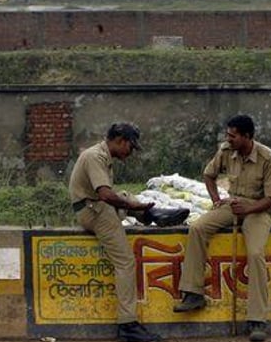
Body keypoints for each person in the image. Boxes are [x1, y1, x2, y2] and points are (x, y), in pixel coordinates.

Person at [69, 122, 189, 342]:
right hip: (93, 210)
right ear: (120, 141)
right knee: (125, 262)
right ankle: (128, 324)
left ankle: (153, 215)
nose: (130, 152)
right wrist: (133, 207)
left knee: (124, 195)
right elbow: (104, 195)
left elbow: (109, 195)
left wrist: (131, 204)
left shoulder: (101, 155)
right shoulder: (95, 157)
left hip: (92, 206)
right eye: (130, 147)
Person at [173, 115, 271, 342]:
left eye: (233, 136)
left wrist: (248, 210)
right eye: (228, 135)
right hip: (231, 205)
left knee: (255, 253)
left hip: (257, 209)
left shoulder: (268, 157)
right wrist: (216, 200)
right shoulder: (225, 150)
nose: (228, 139)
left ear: (247, 137)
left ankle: (256, 320)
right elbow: (208, 175)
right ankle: (193, 292)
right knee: (198, 228)